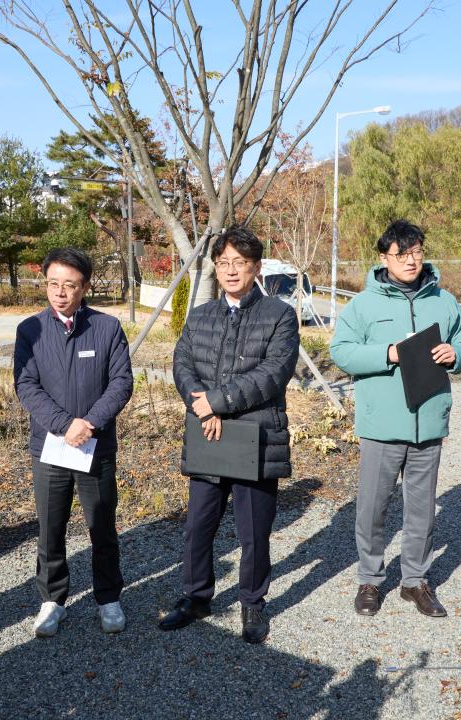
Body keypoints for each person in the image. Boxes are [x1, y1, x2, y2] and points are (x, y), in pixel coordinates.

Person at [159, 226, 300, 644]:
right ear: (216, 268)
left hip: (255, 436)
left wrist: (217, 402)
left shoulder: (279, 315)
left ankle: (252, 601)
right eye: (224, 263)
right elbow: (183, 362)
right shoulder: (201, 315)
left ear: (256, 267)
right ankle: (196, 596)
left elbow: (274, 373)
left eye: (240, 262)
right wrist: (200, 403)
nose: (232, 270)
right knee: (198, 524)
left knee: (253, 530)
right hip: (208, 432)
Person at [329, 220, 461, 619]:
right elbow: (342, 351)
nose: (411, 261)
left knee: (422, 509)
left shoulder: (444, 301)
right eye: (401, 254)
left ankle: (415, 581)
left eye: (417, 252)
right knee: (372, 508)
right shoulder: (363, 305)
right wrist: (387, 353)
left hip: (428, 421)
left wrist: (456, 355)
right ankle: (370, 580)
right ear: (383, 258)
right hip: (382, 425)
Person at [13, 248, 133, 638]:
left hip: (95, 446)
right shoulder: (30, 330)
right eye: (53, 284)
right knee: (51, 528)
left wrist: (91, 423)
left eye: (69, 285)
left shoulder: (107, 328)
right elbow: (26, 385)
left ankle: (108, 597)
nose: (60, 292)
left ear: (84, 287)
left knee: (102, 525)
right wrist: (65, 425)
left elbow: (121, 382)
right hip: (50, 448)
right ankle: (52, 599)